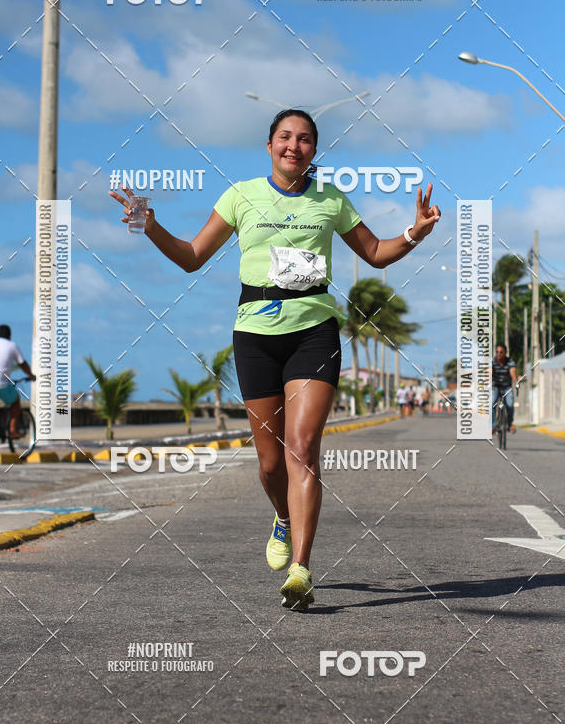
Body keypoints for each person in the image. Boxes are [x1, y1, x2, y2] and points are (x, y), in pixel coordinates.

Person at [110, 109, 441, 610]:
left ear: (314, 150)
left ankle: (301, 569)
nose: (295, 146)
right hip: (256, 336)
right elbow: (192, 256)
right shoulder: (241, 195)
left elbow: (374, 251)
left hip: (314, 330)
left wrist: (415, 232)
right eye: (285, 137)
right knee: (270, 464)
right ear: (269, 146)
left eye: (305, 139)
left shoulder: (330, 199)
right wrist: (152, 226)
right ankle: (283, 517)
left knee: (303, 447)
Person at [492, 343, 517, 434]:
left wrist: (515, 383)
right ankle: (493, 426)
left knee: (510, 404)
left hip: (507, 387)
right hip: (495, 386)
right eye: (497, 352)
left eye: (501, 352)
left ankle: (510, 424)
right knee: (492, 404)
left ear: (505, 352)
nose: (499, 354)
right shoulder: (493, 361)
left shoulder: (510, 361)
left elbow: (513, 374)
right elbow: (489, 373)